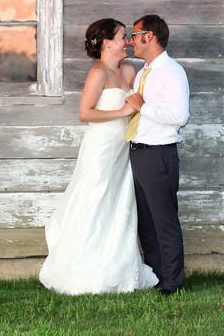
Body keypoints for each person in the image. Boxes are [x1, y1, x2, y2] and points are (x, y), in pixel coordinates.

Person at [39, 18, 159, 295]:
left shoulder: (128, 70)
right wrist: (121, 113)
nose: (128, 41)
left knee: (119, 204)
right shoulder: (98, 74)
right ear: (107, 43)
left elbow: (141, 100)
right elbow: (85, 113)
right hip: (101, 149)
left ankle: (116, 266)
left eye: (129, 36)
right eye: (122, 37)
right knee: (96, 201)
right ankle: (84, 267)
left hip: (123, 149)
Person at [124, 14, 190, 296]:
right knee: (146, 224)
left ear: (150, 36)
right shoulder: (142, 73)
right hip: (138, 152)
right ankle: (156, 275)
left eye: (135, 34)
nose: (131, 41)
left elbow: (180, 116)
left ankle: (173, 283)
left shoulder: (172, 72)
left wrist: (143, 107)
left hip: (159, 154)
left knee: (164, 221)